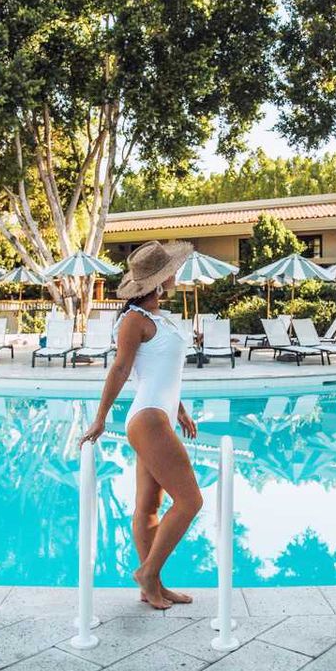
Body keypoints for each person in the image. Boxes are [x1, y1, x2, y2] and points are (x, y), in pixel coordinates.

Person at [79, 240, 201, 610]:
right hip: (147, 417)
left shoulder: (159, 318)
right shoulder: (134, 320)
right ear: (159, 280)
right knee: (190, 500)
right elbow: (120, 369)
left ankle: (154, 586)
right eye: (171, 272)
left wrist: (179, 408)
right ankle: (148, 572)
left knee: (150, 504)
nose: (175, 276)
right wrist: (100, 418)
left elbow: (162, 371)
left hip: (159, 413)